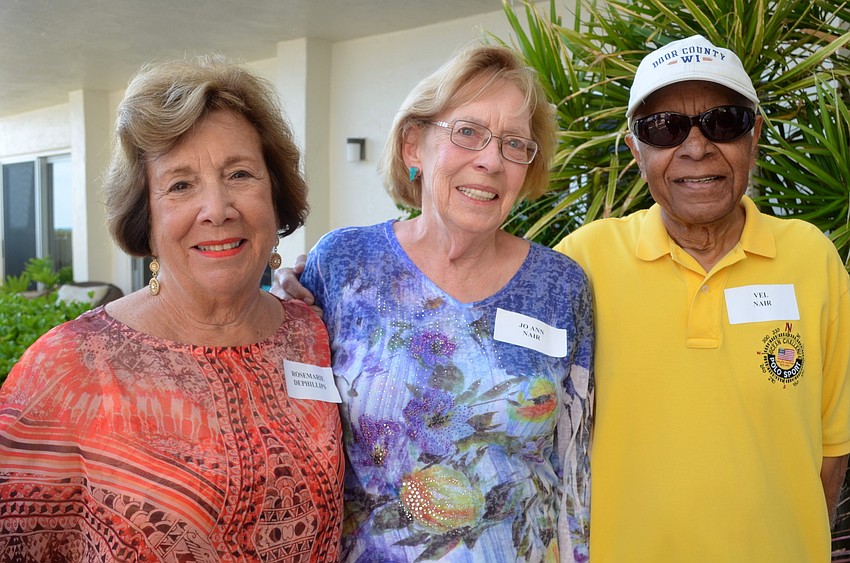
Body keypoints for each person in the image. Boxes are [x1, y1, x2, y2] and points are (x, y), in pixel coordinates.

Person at [0, 56, 343, 561]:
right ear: (148, 217)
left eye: (241, 174)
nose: (217, 208)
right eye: (181, 185)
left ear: (275, 199)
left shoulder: (313, 333)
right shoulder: (70, 368)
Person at [274, 44, 593, 562]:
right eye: (468, 132)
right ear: (413, 145)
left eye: (515, 144)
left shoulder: (560, 287)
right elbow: (286, 423)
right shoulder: (346, 264)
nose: (491, 160)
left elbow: (575, 466)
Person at [554, 35, 850, 562]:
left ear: (754, 135)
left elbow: (832, 450)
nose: (696, 147)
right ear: (635, 150)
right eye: (664, 128)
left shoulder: (813, 258)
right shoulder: (584, 261)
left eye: (724, 122)